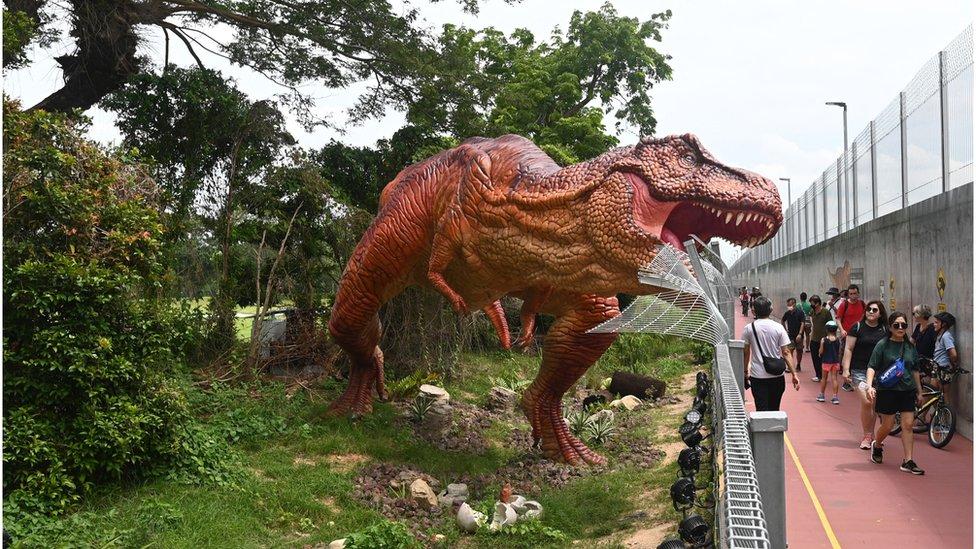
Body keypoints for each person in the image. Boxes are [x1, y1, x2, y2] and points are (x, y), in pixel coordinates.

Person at [866, 311, 925, 475]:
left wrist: (919, 392)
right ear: (890, 327)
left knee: (907, 425)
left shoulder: (910, 347)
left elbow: (914, 370)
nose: (900, 328)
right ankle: (877, 445)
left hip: (907, 391)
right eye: (897, 325)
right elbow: (872, 366)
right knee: (888, 425)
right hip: (887, 391)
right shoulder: (883, 345)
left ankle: (908, 460)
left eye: (904, 325)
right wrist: (870, 386)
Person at [842, 300, 889, 449]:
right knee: (867, 401)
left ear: (880, 313)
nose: (870, 312)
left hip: (878, 372)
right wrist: (846, 369)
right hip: (859, 371)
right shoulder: (857, 327)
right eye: (868, 309)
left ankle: (871, 435)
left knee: (873, 403)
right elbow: (848, 349)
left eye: (874, 310)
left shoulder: (885, 329)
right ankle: (867, 435)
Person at [742, 296, 799, 411]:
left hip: (758, 376)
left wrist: (745, 371)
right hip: (777, 376)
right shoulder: (779, 327)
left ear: (754, 311)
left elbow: (746, 351)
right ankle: (775, 429)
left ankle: (762, 429)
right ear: (771, 310)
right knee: (774, 408)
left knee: (761, 409)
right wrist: (794, 374)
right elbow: (786, 352)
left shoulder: (749, 328)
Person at [835, 284, 865, 391]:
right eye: (851, 294)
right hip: (847, 336)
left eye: (855, 293)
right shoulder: (844, 305)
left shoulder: (862, 304)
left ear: (858, 293)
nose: (853, 296)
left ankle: (859, 380)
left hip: (860, 336)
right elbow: (838, 319)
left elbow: (864, 318)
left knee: (858, 357)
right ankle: (846, 382)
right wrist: (842, 330)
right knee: (846, 357)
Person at [930, 312, 959, 396]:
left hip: (943, 368)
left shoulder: (946, 336)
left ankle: (945, 409)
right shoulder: (940, 335)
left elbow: (953, 354)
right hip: (937, 367)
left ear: (943, 324)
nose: (934, 324)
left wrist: (952, 364)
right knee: (934, 394)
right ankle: (938, 409)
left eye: (936, 322)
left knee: (944, 394)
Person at [807, 295, 831, 383]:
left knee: (823, 358)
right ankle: (818, 375)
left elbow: (830, 324)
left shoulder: (825, 312)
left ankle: (823, 375)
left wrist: (829, 337)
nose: (811, 305)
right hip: (814, 339)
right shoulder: (812, 311)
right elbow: (811, 320)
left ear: (817, 303)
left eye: (812, 303)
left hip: (823, 339)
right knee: (815, 358)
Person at [818, 321, 842, 404]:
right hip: (835, 361)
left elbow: (821, 351)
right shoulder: (838, 340)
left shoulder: (823, 340)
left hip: (826, 361)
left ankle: (822, 395)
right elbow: (839, 351)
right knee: (834, 379)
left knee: (824, 378)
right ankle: (835, 397)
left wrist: (820, 352)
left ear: (827, 329)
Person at [781, 297, 806, 372]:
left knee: (799, 351)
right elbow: (783, 320)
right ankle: (790, 366)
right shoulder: (787, 313)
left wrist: (800, 334)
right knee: (790, 350)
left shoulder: (800, 312)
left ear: (794, 304)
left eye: (790, 305)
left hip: (799, 335)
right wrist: (785, 330)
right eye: (788, 305)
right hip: (790, 335)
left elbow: (802, 323)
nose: (789, 306)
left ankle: (798, 364)